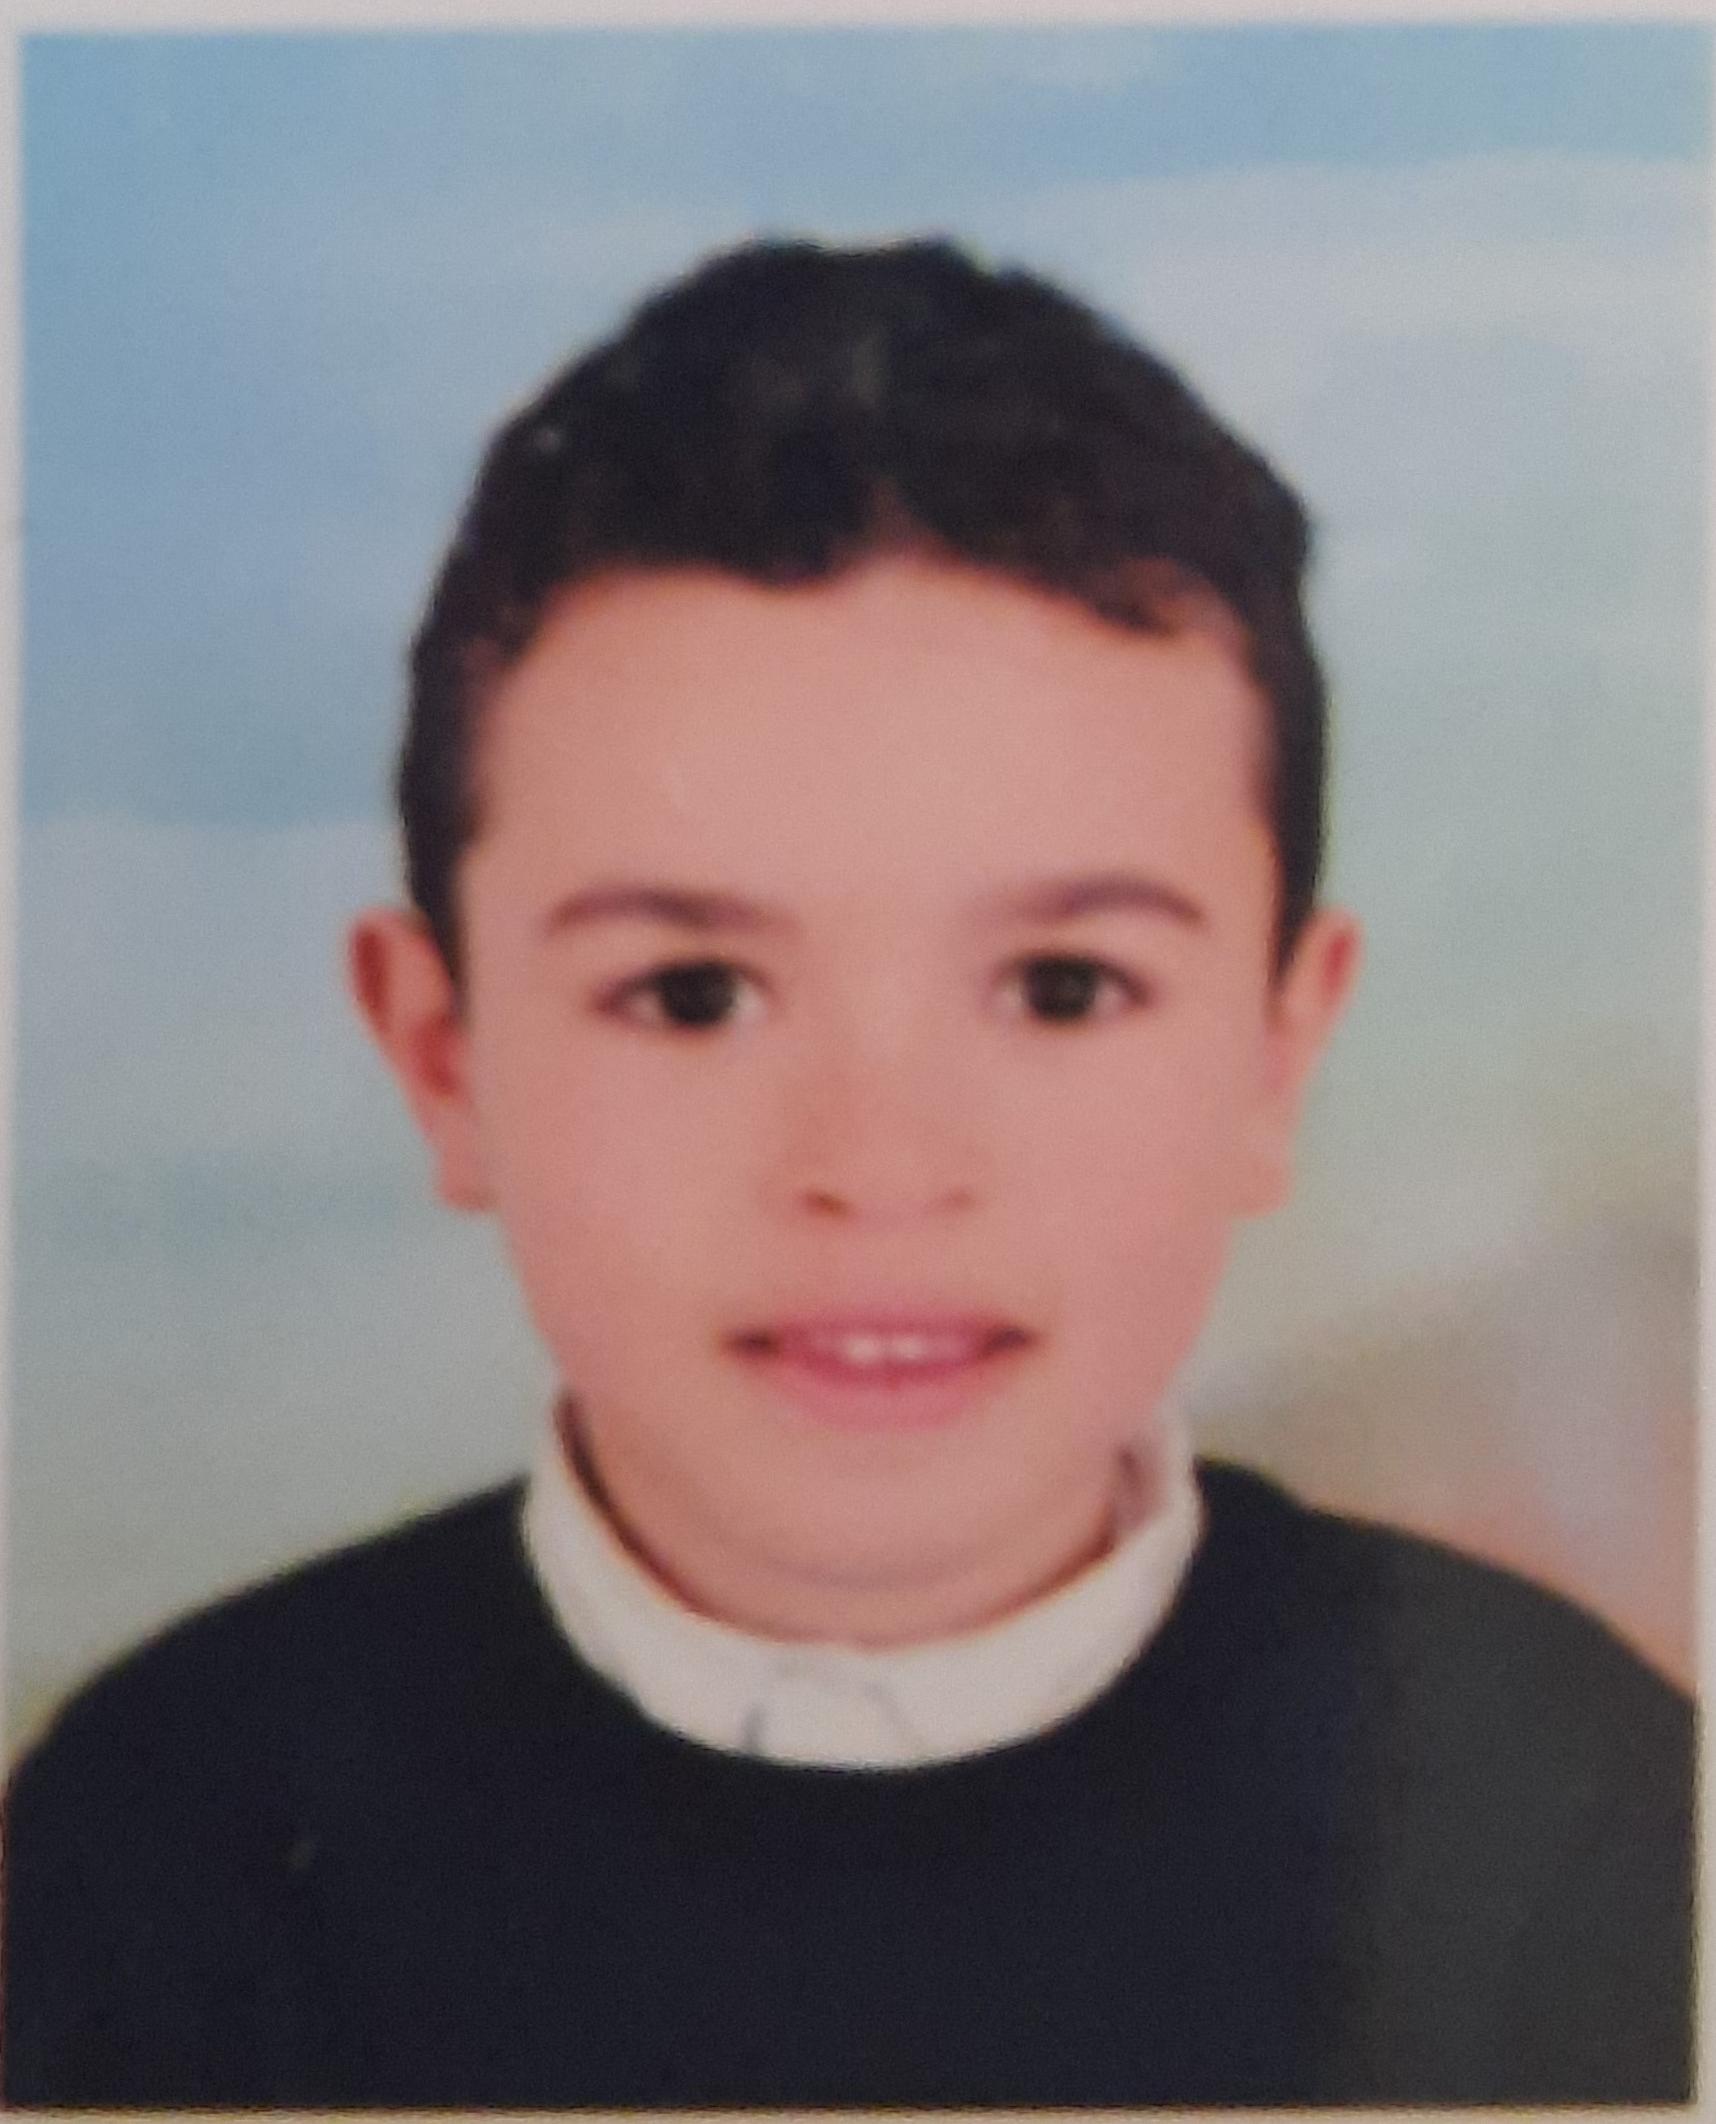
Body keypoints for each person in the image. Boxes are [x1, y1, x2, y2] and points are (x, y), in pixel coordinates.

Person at [3, 238, 1693, 2109]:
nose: (879, 1172)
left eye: (1062, 989)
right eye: (692, 995)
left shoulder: (1582, 1825)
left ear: (1279, 1053)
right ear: (442, 1053)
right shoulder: (162, 1849)